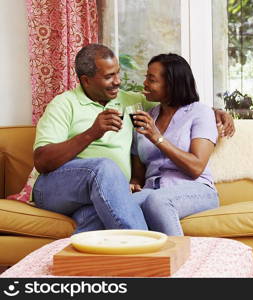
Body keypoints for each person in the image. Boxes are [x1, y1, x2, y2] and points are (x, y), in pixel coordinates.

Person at [32, 44, 234, 234]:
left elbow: (177, 103)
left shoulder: (131, 103)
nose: (118, 81)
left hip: (107, 193)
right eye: (109, 76)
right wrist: (91, 133)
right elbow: (42, 161)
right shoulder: (63, 104)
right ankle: (155, 256)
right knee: (105, 167)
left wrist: (215, 111)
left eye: (118, 73)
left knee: (91, 217)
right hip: (58, 188)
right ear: (86, 80)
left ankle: (74, 263)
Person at [130, 53, 219, 236]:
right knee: (116, 207)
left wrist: (157, 138)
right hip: (152, 190)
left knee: (158, 201)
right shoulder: (147, 117)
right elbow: (138, 174)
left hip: (195, 189)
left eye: (151, 79)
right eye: (146, 77)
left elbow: (196, 167)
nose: (145, 83)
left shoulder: (200, 112)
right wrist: (133, 183)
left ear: (172, 84)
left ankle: (180, 260)